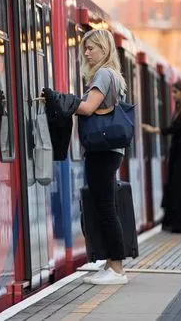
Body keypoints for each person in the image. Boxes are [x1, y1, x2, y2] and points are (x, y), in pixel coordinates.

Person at [43, 29, 128, 285]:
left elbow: (89, 107)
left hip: (102, 151)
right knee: (106, 206)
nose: (87, 53)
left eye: (92, 48)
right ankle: (112, 263)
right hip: (108, 151)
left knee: (105, 208)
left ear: (104, 49)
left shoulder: (103, 74)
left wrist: (60, 100)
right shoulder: (114, 75)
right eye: (85, 49)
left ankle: (116, 268)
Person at [142, 80, 181, 234]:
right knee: (176, 184)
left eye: (175, 92)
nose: (173, 95)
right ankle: (177, 221)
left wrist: (154, 130)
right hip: (179, 150)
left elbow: (175, 129)